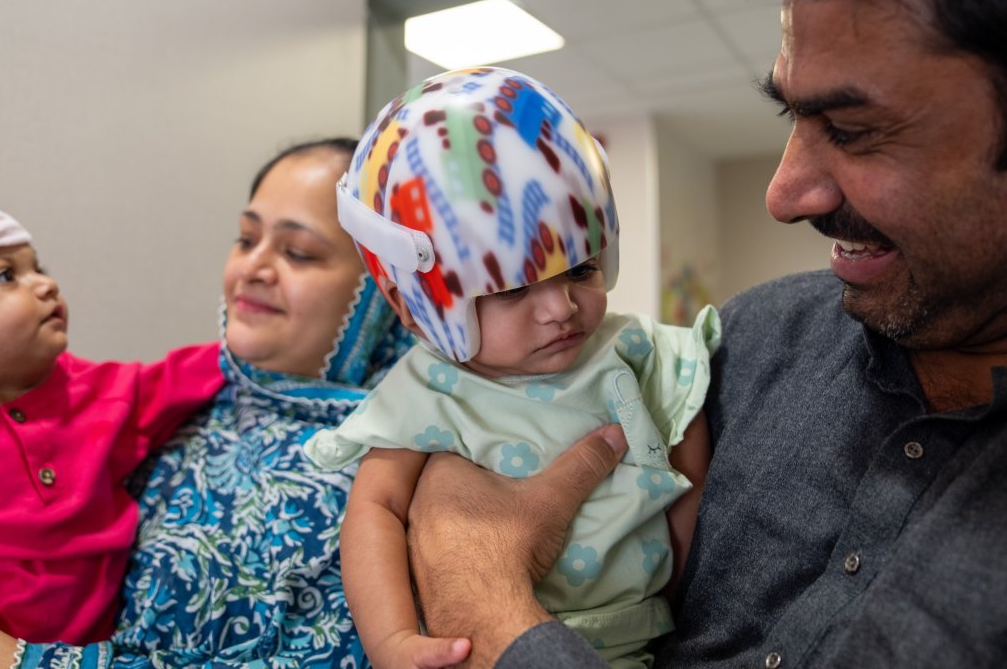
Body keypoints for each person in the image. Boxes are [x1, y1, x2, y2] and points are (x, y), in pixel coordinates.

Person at [399, 0, 1007, 667]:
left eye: (856, 130)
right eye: (792, 115)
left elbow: (476, 566)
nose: (785, 193)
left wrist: (485, 606)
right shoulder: (748, 345)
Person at [0, 138, 422, 668]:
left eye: (297, 252)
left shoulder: (398, 471)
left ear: (387, 285)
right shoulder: (193, 409)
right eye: (244, 239)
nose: (252, 268)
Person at [304, 67, 719, 669]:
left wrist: (691, 610)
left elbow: (689, 482)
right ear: (409, 302)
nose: (562, 309)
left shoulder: (638, 350)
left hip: (646, 639)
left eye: (581, 270)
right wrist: (391, 642)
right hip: (479, 646)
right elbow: (376, 512)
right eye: (511, 289)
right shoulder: (425, 391)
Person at [0, 174, 223, 649]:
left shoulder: (88, 390)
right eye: (7, 275)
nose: (46, 284)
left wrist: (249, 353)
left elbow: (174, 380)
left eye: (38, 267)